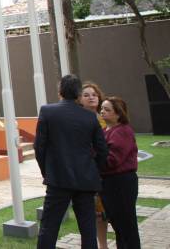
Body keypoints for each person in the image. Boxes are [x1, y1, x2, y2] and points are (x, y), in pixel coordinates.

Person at [34, 75, 108, 249]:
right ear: (78, 94)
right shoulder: (90, 117)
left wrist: (47, 172)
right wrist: (93, 170)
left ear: (60, 92)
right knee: (88, 229)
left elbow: (39, 148)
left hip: (58, 180)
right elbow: (103, 150)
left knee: (49, 227)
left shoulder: (47, 111)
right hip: (86, 180)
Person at [100, 97, 141, 249]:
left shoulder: (122, 131)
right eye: (102, 108)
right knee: (118, 226)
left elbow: (112, 160)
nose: (102, 111)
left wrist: (94, 160)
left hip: (121, 183)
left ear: (118, 114)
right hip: (109, 183)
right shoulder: (106, 130)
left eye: (107, 109)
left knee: (127, 226)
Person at [81, 81, 109, 249]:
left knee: (103, 213)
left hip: (106, 171)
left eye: (94, 94)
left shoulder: (106, 117)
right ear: (79, 99)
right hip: (88, 172)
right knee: (93, 213)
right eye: (86, 95)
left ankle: (103, 245)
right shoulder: (78, 119)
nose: (91, 97)